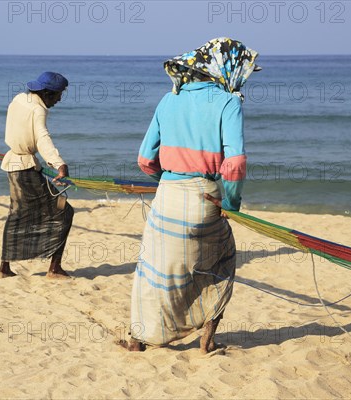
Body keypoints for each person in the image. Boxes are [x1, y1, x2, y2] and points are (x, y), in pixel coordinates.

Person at [120, 38, 260, 353]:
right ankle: (206, 342)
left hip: (167, 196)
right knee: (220, 263)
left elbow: (144, 160)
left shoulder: (168, 100)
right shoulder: (228, 102)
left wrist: (167, 180)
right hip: (204, 198)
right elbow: (235, 163)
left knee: (154, 269)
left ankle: (137, 339)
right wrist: (231, 203)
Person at [0, 72, 74, 279]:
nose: (59, 100)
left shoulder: (19, 99)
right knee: (64, 211)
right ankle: (54, 268)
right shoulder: (38, 109)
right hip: (24, 169)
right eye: (59, 95)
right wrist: (60, 164)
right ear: (48, 93)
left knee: (17, 213)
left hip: (13, 165)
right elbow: (42, 137)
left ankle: (4, 268)